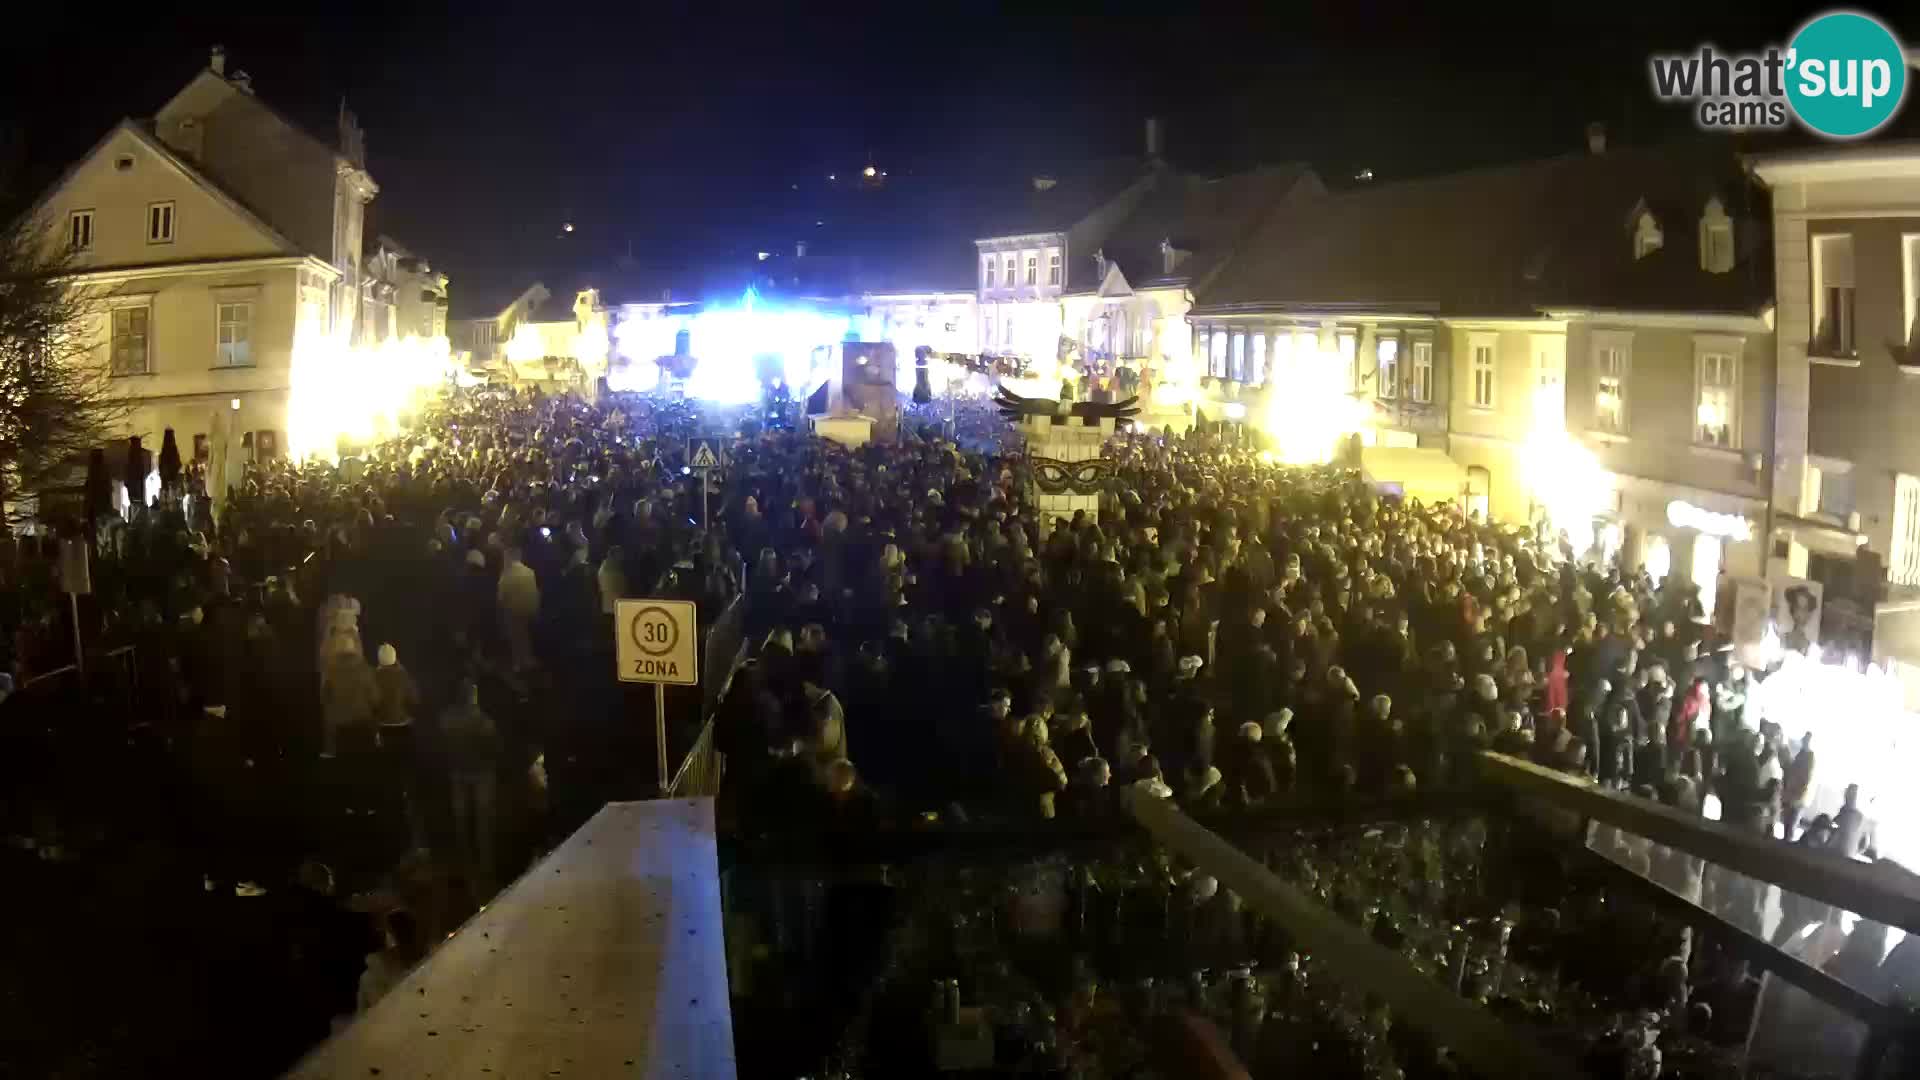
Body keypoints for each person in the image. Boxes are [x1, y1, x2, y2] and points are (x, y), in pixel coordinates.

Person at [440, 679, 500, 895]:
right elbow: (493, 746)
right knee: (484, 821)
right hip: (482, 773)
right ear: (473, 696)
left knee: (461, 819)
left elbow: (443, 745)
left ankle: (465, 864)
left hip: (457, 771)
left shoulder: (447, 719)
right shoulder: (483, 720)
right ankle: (486, 867)